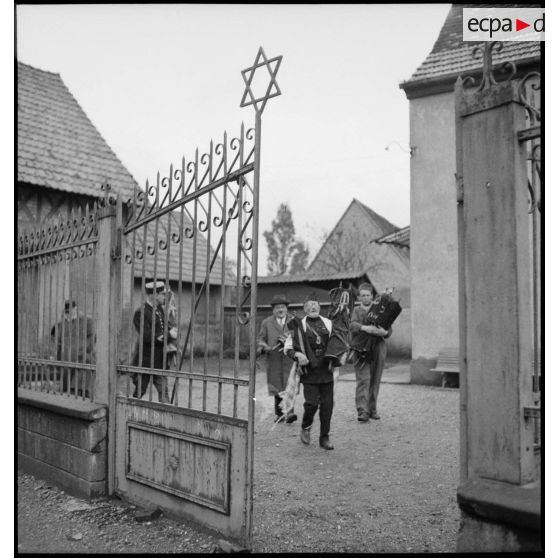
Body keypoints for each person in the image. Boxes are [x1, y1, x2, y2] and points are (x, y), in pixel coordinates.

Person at [284, 292, 336, 450]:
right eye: (309, 305)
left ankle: (324, 438)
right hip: (309, 371)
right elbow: (288, 348)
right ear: (305, 309)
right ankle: (306, 427)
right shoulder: (299, 325)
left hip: (326, 371)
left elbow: (338, 343)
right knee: (312, 404)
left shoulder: (329, 323)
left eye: (316, 304)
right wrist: (297, 354)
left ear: (320, 307)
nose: (313, 307)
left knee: (327, 406)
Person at [349, 283, 391, 422]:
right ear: (359, 297)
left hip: (378, 346)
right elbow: (352, 325)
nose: (365, 298)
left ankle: (372, 409)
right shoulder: (356, 311)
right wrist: (366, 328)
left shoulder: (379, 309)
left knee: (375, 378)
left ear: (372, 296)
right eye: (363, 295)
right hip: (361, 347)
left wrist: (383, 332)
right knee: (363, 379)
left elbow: (389, 330)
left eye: (368, 295)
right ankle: (362, 410)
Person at [132, 280, 178, 403]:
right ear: (154, 295)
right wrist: (169, 334)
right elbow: (147, 336)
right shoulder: (140, 312)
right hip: (145, 360)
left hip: (160, 359)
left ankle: (166, 418)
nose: (165, 297)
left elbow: (163, 327)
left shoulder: (159, 309)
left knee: (164, 393)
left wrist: (171, 329)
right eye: (163, 294)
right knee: (139, 392)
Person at [257, 294, 297, 423]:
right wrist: (265, 346)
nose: (280, 310)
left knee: (289, 384)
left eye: (283, 307)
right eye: (277, 308)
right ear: (273, 310)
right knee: (277, 386)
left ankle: (290, 413)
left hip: (289, 359)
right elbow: (260, 339)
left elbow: (300, 337)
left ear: (287, 309)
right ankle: (279, 413)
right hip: (273, 359)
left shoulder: (293, 320)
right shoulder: (266, 322)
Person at [50, 299, 95, 395]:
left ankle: (81, 392)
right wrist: (57, 355)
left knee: (80, 387)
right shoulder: (61, 324)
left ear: (76, 309)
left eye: (70, 311)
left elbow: (92, 338)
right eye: (66, 312)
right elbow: (56, 341)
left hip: (81, 356)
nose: (68, 313)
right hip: (66, 358)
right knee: (65, 388)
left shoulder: (87, 321)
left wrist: (83, 350)